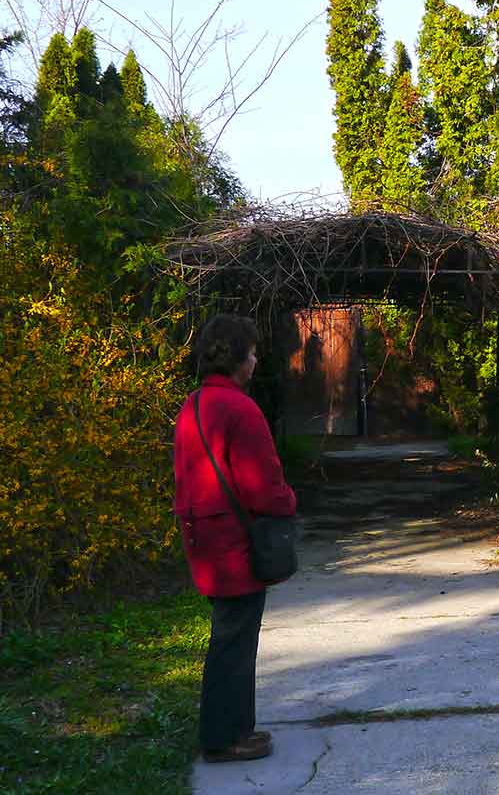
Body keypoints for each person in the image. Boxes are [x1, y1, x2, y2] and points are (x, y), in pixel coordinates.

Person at [174, 313, 297, 764]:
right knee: (234, 641)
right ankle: (223, 738)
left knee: (231, 635)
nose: (256, 360)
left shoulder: (194, 404)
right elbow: (262, 485)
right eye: (253, 353)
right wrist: (288, 502)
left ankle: (236, 729)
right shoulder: (240, 408)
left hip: (203, 537)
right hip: (234, 543)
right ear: (238, 358)